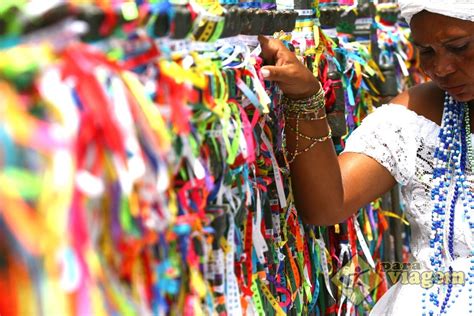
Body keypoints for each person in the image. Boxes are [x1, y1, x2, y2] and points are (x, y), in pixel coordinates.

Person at [259, 1, 474, 315]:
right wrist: (305, 99)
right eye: (426, 51)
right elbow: (329, 205)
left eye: (458, 46)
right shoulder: (419, 112)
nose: (440, 68)